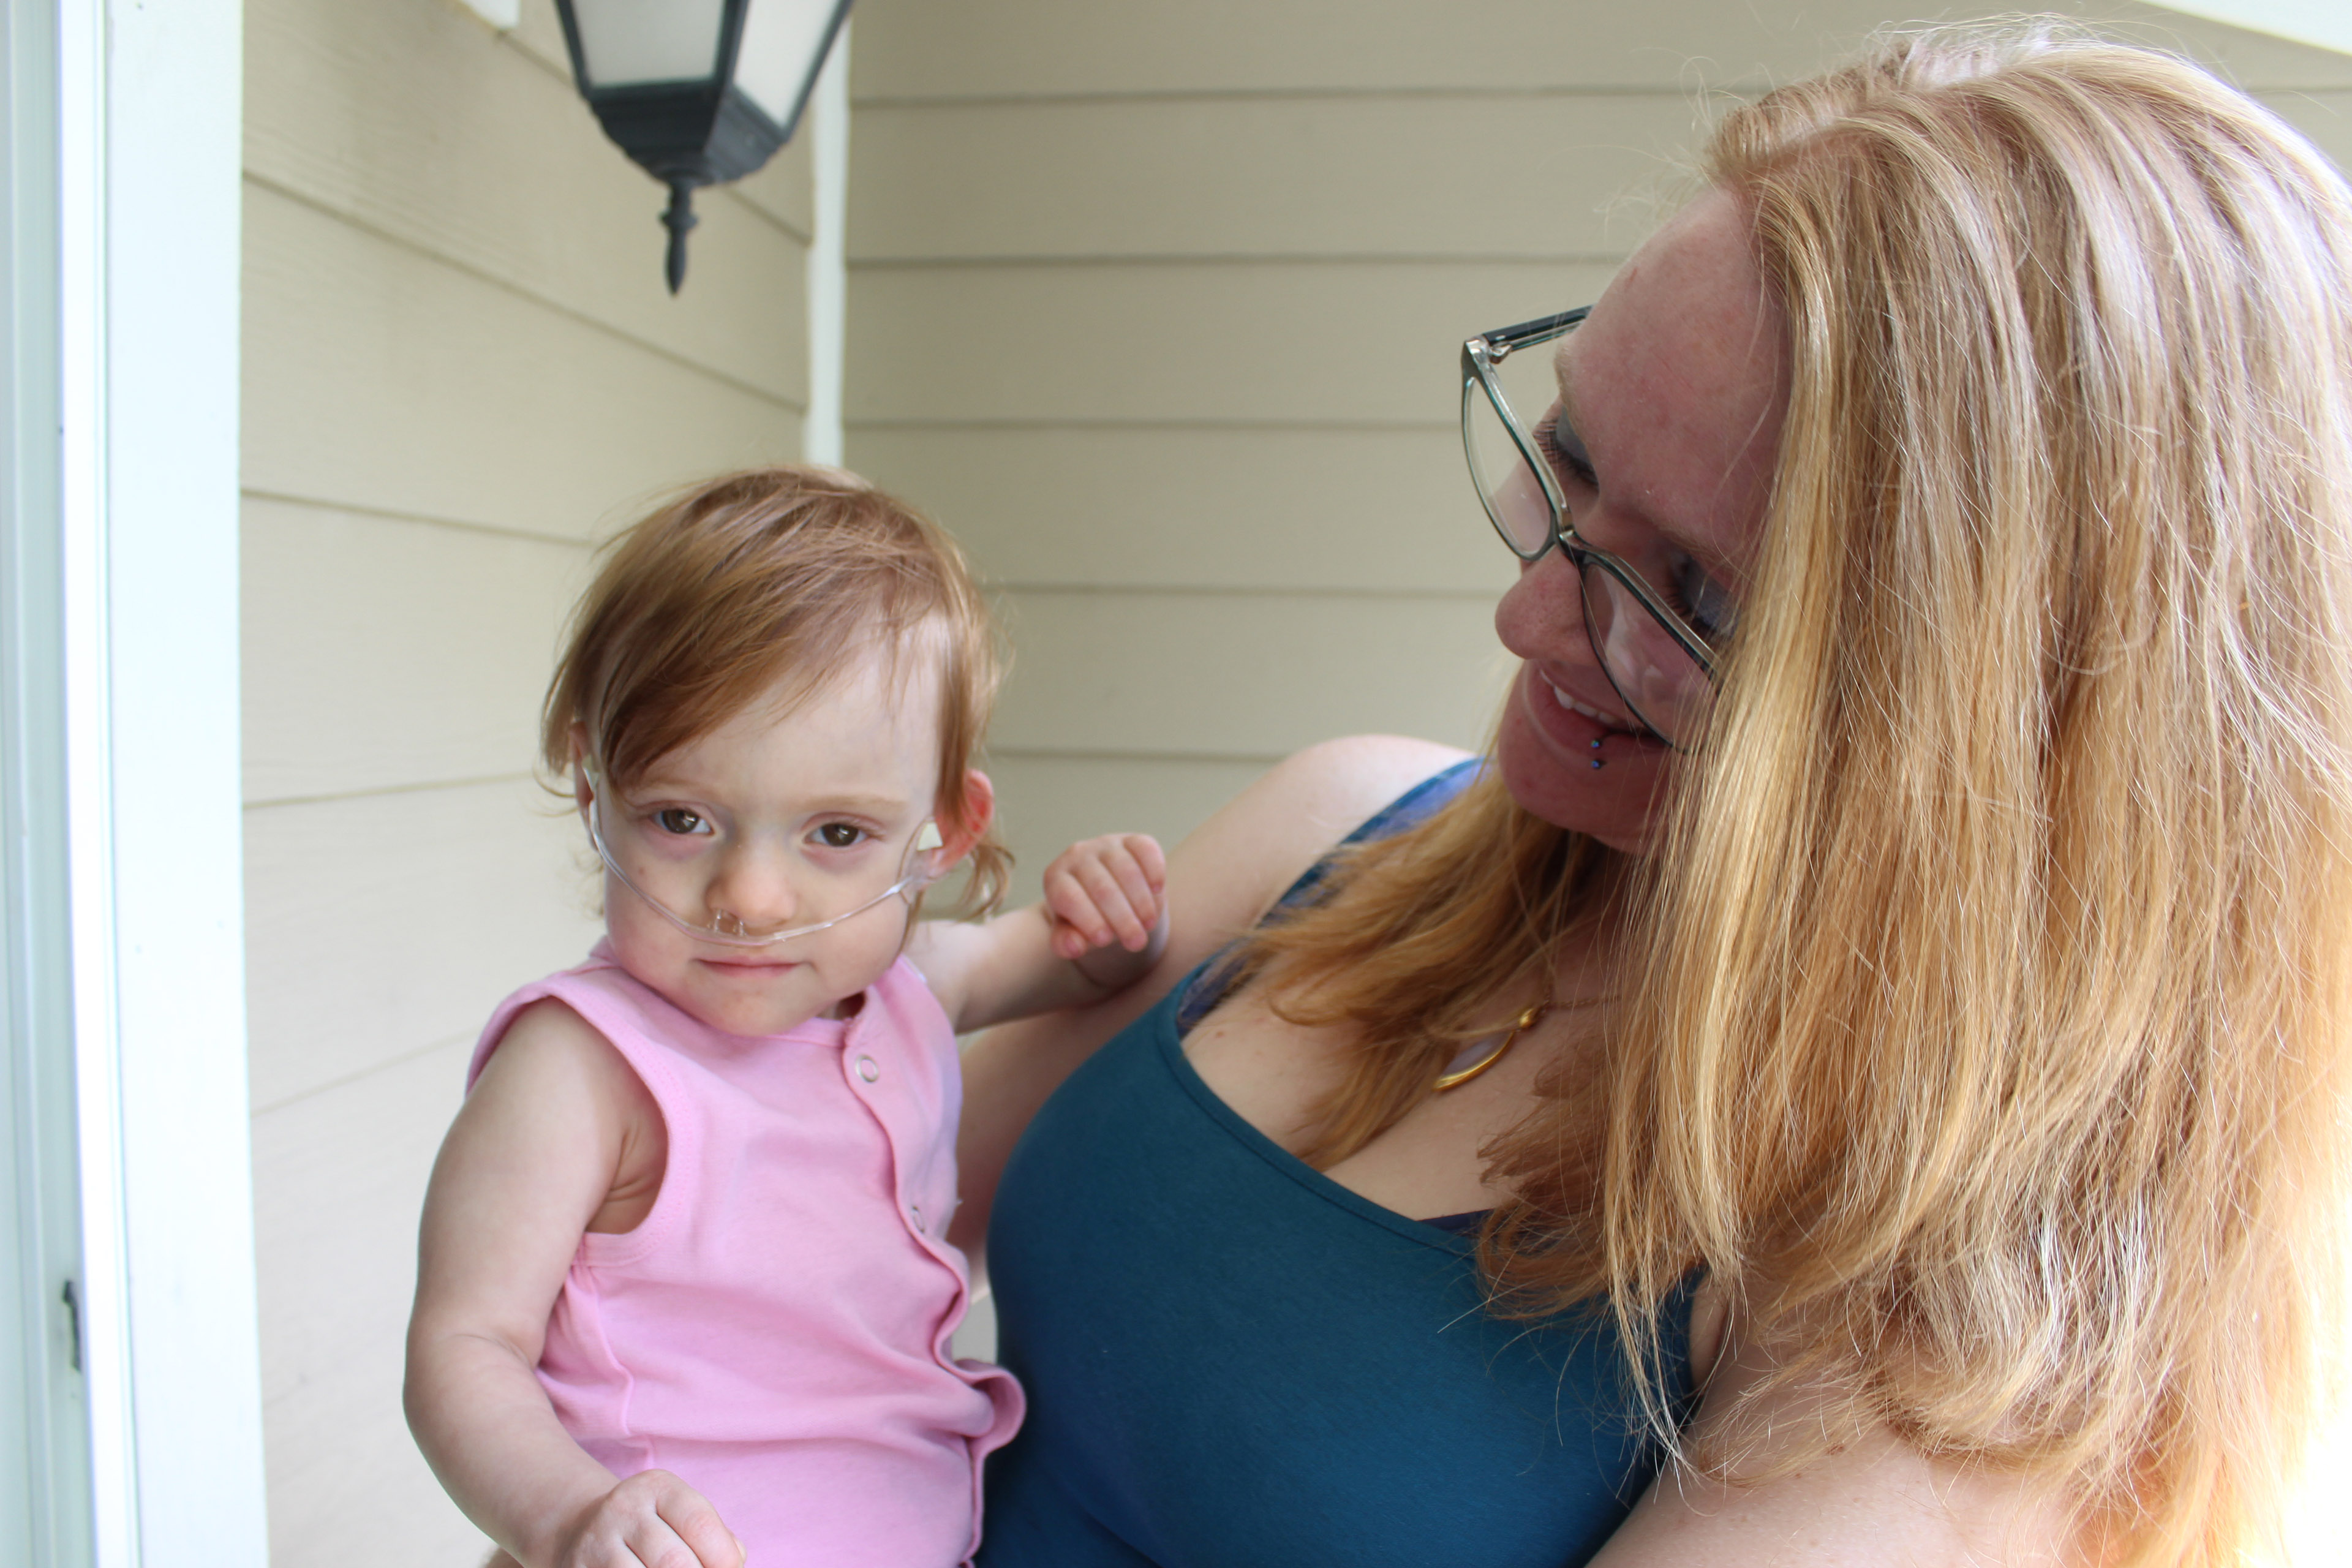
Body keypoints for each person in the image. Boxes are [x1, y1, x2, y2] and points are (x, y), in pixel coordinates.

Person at [954, 23, 2352, 1567]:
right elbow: (760, 1178)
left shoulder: (1949, 1342)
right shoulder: (1342, 829)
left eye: (1700, 596)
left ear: (2019, 744)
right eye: (1566, 452)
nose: (1528, 621)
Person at [404, 467, 1172, 1568]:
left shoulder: (911, 989)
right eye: (683, 818)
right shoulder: (583, 1067)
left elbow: (1083, 965)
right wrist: (569, 1514)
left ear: (946, 827)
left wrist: (1118, 923)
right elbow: (463, 1343)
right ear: (594, 791)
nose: (752, 900)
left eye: (836, 835)